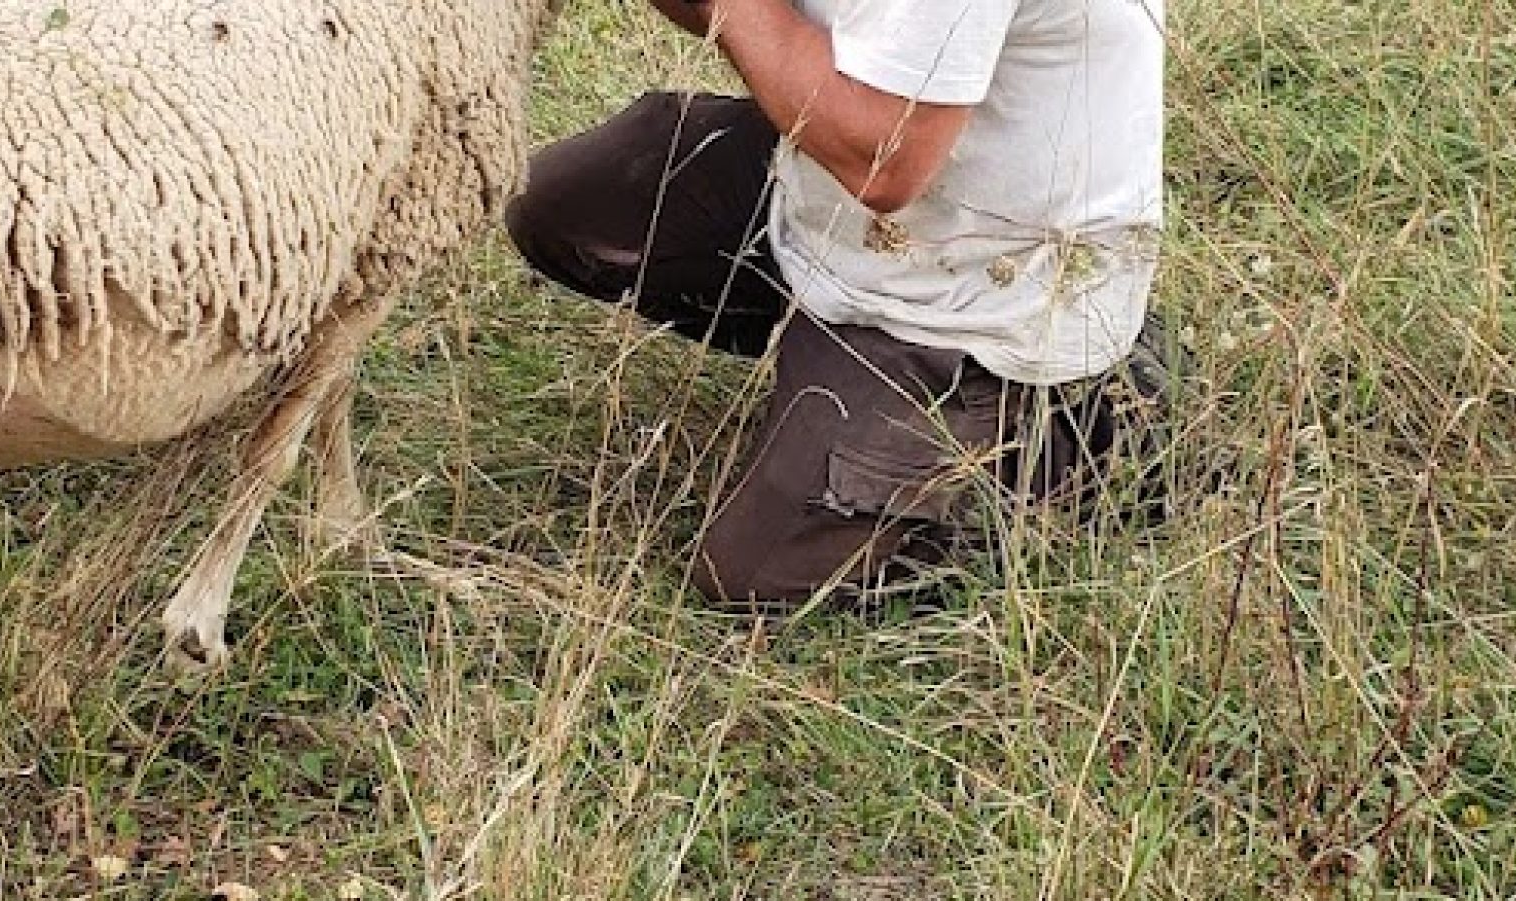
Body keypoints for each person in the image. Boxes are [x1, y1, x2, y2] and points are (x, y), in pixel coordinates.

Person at [505, 0, 1185, 605]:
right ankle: (825, 365)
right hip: (840, 195)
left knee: (756, 567)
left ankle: (1074, 427)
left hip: (978, 290)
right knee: (568, 207)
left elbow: (886, 160)